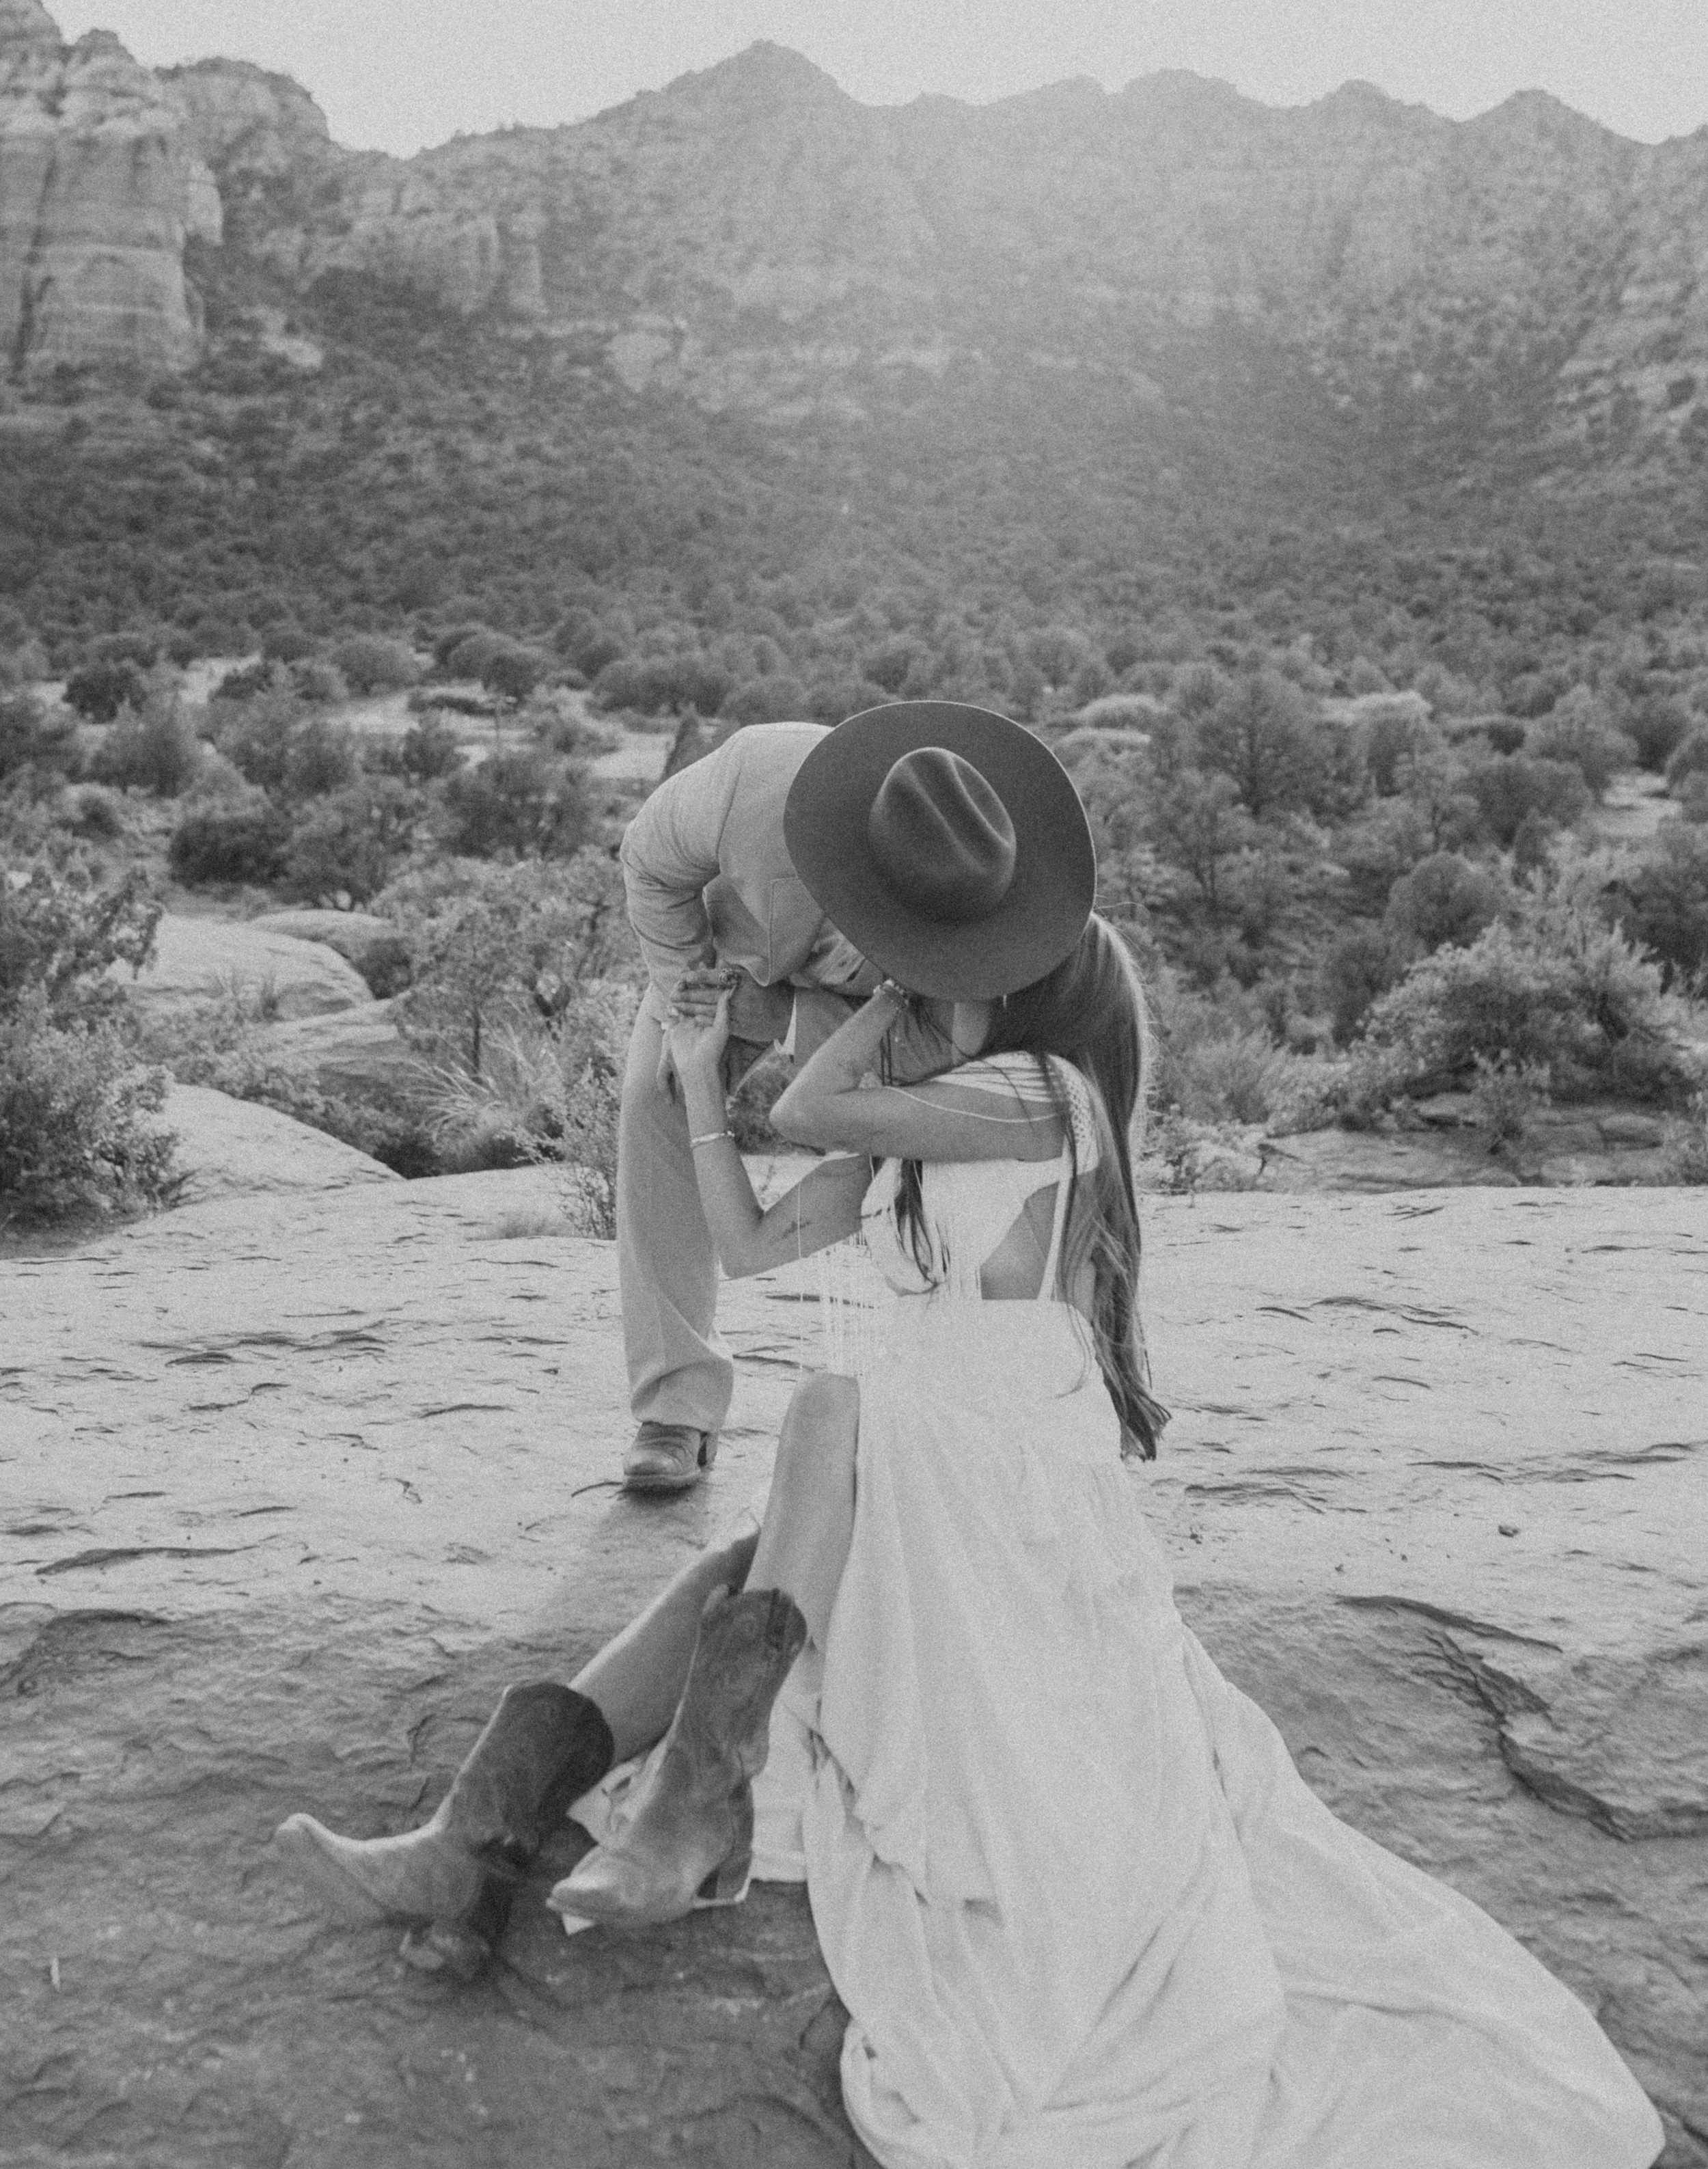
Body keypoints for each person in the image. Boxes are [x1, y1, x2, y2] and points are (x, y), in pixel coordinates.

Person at [556, 702, 1662, 2169]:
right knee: (815, 1435)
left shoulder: (1043, 1100)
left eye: (921, 957)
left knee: (826, 1422)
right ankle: (605, 1804)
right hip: (920, 1437)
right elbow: (752, 1248)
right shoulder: (928, 1123)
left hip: (999, 1440)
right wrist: (697, 1077)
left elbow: (819, 1094)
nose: (890, 971)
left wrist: (887, 983)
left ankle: (680, 1798)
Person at [611, 716, 947, 1491]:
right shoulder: (747, 780)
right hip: (734, 964)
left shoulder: (941, 823)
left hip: (879, 996)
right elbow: (648, 864)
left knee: (916, 1137)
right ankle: (676, 1406)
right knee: (654, 1098)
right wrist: (682, 980)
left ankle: (919, 1386)